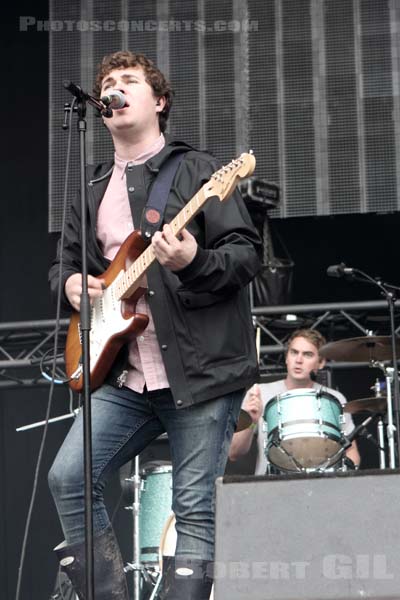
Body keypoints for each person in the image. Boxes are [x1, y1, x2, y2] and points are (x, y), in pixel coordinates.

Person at [48, 50, 261, 600]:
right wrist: (71, 285)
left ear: (159, 102)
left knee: (192, 506)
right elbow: (66, 265)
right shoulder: (90, 185)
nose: (114, 89)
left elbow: (244, 256)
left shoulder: (199, 171)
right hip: (127, 375)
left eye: (128, 81)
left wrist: (192, 260)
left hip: (202, 373)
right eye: (107, 84)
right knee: (68, 478)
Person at [229, 329, 360, 474]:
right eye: (294, 352)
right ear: (286, 357)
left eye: (307, 354)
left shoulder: (334, 399)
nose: (299, 360)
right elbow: (234, 453)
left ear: (321, 362)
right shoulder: (259, 393)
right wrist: (251, 420)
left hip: (321, 487)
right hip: (269, 487)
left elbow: (352, 453)